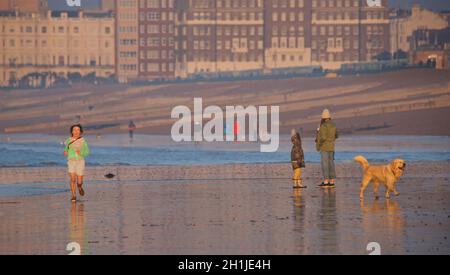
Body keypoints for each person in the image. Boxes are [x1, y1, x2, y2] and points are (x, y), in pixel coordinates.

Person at [64, 124, 90, 202]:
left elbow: (87, 152)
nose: (76, 131)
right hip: (71, 161)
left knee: (79, 181)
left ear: (80, 132)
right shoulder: (68, 140)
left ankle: (79, 187)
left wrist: (81, 153)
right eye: (74, 130)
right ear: (72, 131)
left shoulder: (83, 141)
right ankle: (73, 195)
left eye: (77, 130)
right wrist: (65, 151)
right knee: (72, 179)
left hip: (80, 161)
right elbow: (66, 148)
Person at [316, 109, 338, 188]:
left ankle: (326, 181)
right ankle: (332, 181)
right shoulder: (333, 125)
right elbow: (337, 135)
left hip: (324, 147)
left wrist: (319, 144)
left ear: (323, 117)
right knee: (331, 163)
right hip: (332, 147)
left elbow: (323, 137)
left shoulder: (323, 126)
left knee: (325, 164)